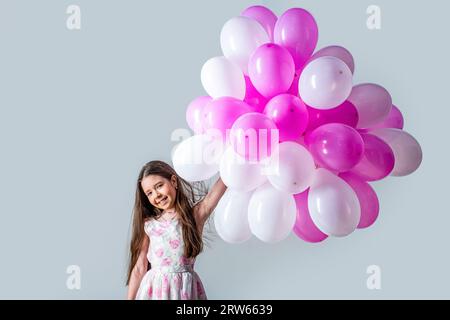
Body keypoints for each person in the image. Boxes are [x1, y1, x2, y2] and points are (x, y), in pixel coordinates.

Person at [126, 160, 227, 300]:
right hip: (154, 290)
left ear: (173, 181)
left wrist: (233, 164)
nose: (156, 194)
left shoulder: (195, 216)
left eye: (159, 186)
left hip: (184, 289)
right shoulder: (149, 225)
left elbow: (215, 193)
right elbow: (139, 267)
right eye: (149, 193)